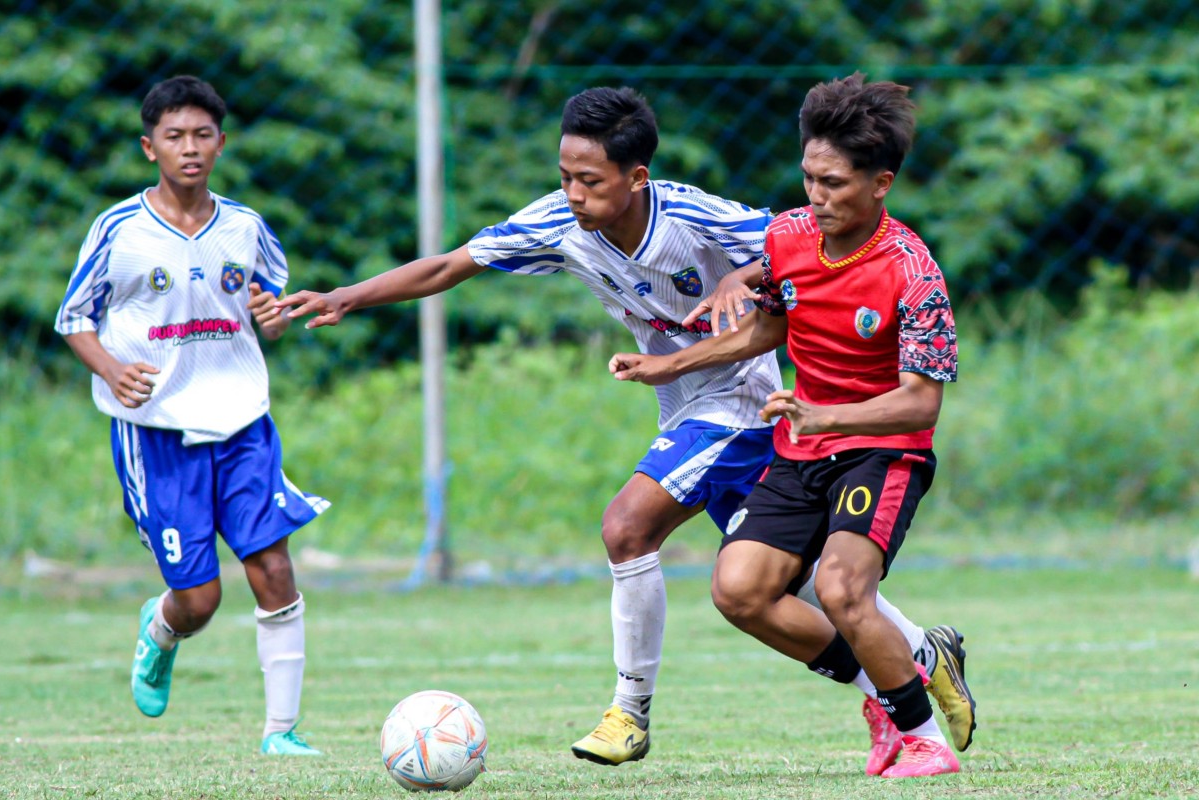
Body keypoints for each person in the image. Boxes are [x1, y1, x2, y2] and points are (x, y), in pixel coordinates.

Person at [277, 85, 973, 771]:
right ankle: (917, 660)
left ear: (636, 178)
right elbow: (452, 264)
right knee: (786, 585)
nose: (573, 194)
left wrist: (738, 280)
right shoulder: (557, 223)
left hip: (743, 399)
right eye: (565, 177)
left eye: (589, 180)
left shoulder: (695, 217)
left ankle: (629, 712)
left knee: (628, 527)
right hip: (687, 402)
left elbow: (796, 247)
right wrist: (348, 296)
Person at [607, 73, 967, 778]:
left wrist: (826, 413)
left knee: (841, 587)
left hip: (882, 452)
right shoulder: (788, 237)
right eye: (808, 178)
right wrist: (669, 366)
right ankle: (887, 691)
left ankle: (926, 742)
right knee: (739, 590)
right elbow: (767, 327)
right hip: (803, 448)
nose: (816, 196)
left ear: (881, 184)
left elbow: (921, 403)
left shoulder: (913, 272)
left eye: (833, 183)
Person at [54, 76, 329, 756]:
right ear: (149, 148)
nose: (190, 148)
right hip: (158, 433)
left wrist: (273, 316)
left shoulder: (246, 227)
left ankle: (282, 732)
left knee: (273, 568)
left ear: (221, 143)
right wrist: (111, 369)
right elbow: (74, 318)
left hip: (242, 422)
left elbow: (271, 312)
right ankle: (161, 630)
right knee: (200, 600)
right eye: (174, 136)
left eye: (203, 135)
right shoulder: (119, 230)